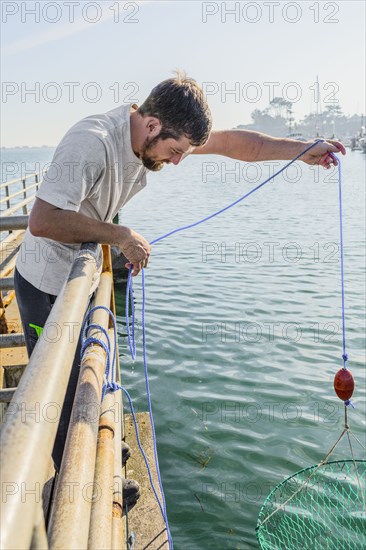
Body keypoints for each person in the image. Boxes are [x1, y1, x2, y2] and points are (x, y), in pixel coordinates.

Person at [14, 70, 346, 503]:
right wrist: (120, 236)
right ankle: (72, 495)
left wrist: (302, 150)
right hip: (44, 286)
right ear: (152, 126)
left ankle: (99, 457)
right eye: (174, 152)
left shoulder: (164, 127)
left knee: (94, 374)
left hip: (84, 273)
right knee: (63, 393)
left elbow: (237, 144)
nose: (175, 162)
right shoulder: (92, 142)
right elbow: (42, 220)